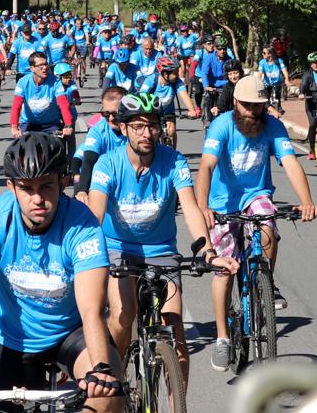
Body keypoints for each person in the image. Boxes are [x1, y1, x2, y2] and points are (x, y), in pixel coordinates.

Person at [0, 133, 123, 412]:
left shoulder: (83, 225)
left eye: (47, 186)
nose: (37, 198)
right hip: (16, 340)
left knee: (105, 395)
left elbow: (92, 309)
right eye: (27, 188)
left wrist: (100, 367)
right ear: (11, 187)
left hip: (71, 334)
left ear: (63, 182)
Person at [88, 94, 236, 386]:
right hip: (118, 250)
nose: (147, 133)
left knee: (174, 324)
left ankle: (177, 401)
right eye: (139, 126)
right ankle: (114, 381)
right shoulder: (108, 164)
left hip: (162, 251)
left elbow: (191, 208)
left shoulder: (174, 161)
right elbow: (95, 214)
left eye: (153, 126)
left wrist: (208, 250)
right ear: (123, 128)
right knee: (123, 312)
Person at [195, 75, 317, 371]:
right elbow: (207, 166)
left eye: (259, 105)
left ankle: (266, 280)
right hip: (224, 202)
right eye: (248, 105)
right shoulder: (222, 125)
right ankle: (223, 338)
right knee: (223, 270)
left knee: (269, 227)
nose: (253, 110)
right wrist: (203, 208)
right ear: (236, 102)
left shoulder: (272, 125)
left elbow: (290, 162)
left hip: (256, 195)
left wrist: (307, 200)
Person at [73, 86, 128, 199]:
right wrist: (82, 190)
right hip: (102, 181)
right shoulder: (97, 130)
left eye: (115, 113)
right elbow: (88, 160)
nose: (111, 118)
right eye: (106, 114)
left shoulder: (135, 128)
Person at [10, 52, 74, 140]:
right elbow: (16, 106)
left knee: (58, 148)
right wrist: (14, 127)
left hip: (51, 125)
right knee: (21, 149)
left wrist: (68, 125)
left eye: (45, 64)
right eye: (40, 65)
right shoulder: (22, 82)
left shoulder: (56, 82)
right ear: (32, 68)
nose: (45, 68)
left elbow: (63, 103)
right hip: (29, 124)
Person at [257, 45, 289, 114]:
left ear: (270, 54)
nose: (262, 54)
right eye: (262, 52)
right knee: (265, 100)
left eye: (264, 53)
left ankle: (278, 106)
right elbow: (260, 74)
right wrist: (258, 83)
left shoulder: (279, 61)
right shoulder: (262, 62)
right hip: (267, 84)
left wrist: (287, 79)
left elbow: (284, 71)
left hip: (277, 83)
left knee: (276, 97)